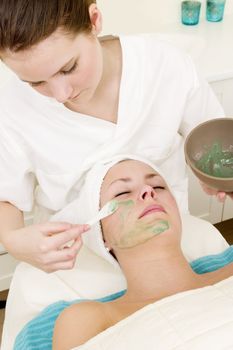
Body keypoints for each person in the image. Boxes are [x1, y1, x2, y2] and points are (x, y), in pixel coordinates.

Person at [0, 0, 226, 273]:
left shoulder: (166, 67)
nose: (61, 94)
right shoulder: (12, 106)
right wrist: (12, 239)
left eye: (68, 68)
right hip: (78, 262)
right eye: (36, 83)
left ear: (94, 20)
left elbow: (214, 141)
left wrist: (217, 176)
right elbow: (7, 196)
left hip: (169, 239)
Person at [49, 156, 233, 350]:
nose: (149, 191)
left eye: (159, 186)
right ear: (102, 237)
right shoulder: (86, 319)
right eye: (122, 192)